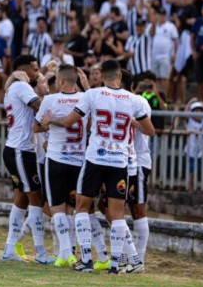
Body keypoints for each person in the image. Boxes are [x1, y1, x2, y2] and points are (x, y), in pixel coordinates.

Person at [42, 59, 155, 274]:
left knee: (82, 207)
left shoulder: (92, 95)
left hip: (95, 160)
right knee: (117, 213)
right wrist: (131, 122)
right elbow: (150, 131)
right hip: (120, 162)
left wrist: (50, 122)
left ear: (102, 76)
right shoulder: (134, 101)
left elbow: (68, 122)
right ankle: (115, 264)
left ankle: (86, 260)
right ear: (120, 76)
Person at [1, 55, 55, 265]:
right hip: (21, 151)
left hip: (17, 149)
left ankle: (9, 249)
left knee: (22, 199)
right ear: (23, 70)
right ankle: (40, 252)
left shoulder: (12, 88)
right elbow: (38, 106)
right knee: (36, 198)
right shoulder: (21, 87)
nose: (37, 73)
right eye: (34, 69)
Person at [33, 65, 89, 268]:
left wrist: (48, 123)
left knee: (56, 208)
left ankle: (65, 253)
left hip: (56, 159)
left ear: (62, 81)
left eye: (56, 79)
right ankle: (70, 252)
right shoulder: (86, 99)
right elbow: (90, 127)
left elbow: (36, 127)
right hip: (79, 159)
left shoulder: (50, 100)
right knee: (72, 208)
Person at [184, 99, 203, 193]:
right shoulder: (190, 121)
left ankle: (199, 187)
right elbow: (185, 114)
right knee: (191, 170)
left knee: (200, 170)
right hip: (191, 150)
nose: (198, 112)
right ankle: (190, 188)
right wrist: (190, 102)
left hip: (202, 150)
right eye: (195, 110)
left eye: (200, 110)